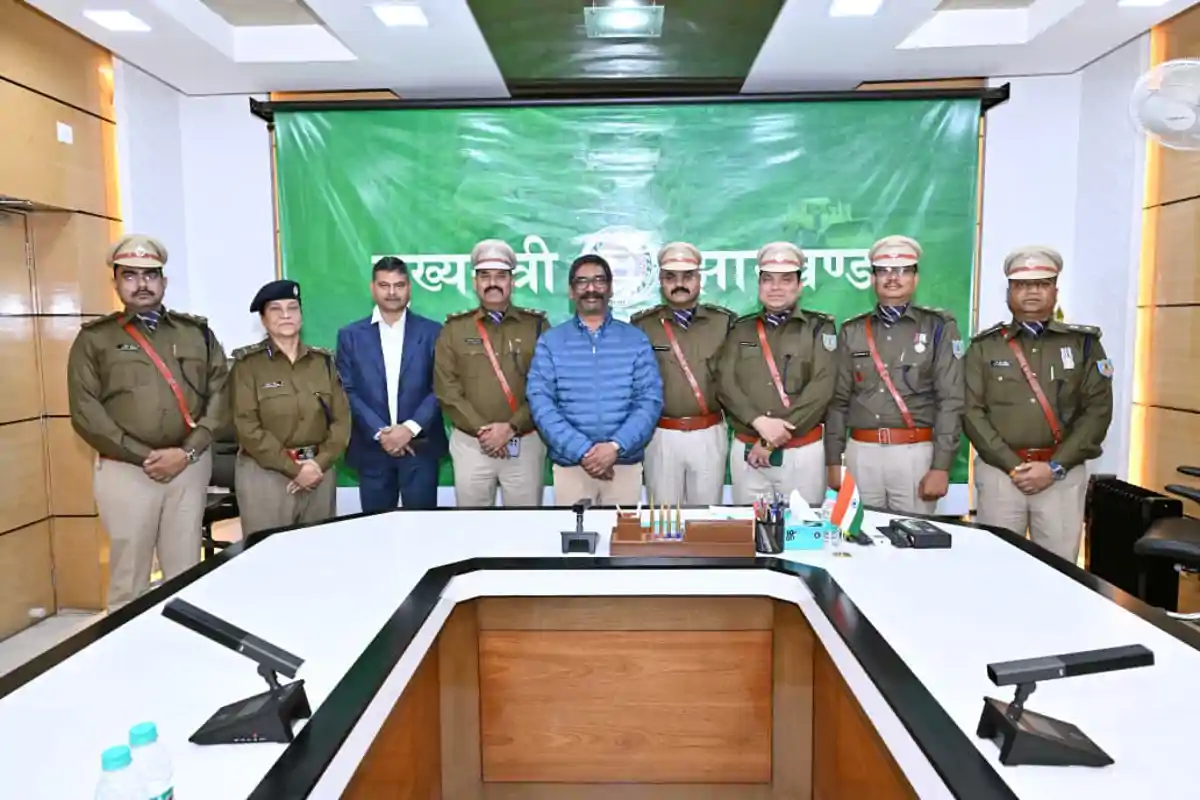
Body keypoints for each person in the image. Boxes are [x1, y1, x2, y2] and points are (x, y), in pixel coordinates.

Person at [66, 234, 229, 610]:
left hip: (188, 468)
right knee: (130, 576)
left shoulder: (196, 333)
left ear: (163, 281)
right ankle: (127, 644)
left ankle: (182, 640)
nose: (141, 284)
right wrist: (146, 457)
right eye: (130, 275)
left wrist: (186, 453)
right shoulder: (95, 339)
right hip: (127, 471)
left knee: (186, 572)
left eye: (150, 275)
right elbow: (86, 412)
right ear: (116, 283)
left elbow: (221, 395)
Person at [963, 245, 1114, 563]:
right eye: (1022, 284)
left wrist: (1055, 466)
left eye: (1042, 284)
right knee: (996, 566)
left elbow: (1097, 411)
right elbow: (971, 411)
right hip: (1001, 475)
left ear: (1055, 290)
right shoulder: (984, 347)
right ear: (1009, 292)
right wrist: (1011, 465)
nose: (1032, 291)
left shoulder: (1083, 344)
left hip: (1062, 475)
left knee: (1059, 569)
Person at [824, 235, 965, 514]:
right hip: (861, 454)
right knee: (857, 536)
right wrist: (833, 460)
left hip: (914, 455)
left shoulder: (938, 327)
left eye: (902, 270)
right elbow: (838, 402)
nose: (892, 278)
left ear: (915, 278)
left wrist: (941, 466)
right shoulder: (853, 330)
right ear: (872, 279)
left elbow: (951, 401)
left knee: (913, 536)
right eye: (884, 271)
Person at [526, 253, 663, 506]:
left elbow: (649, 399)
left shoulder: (635, 339)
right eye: (582, 281)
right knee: (574, 532)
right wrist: (582, 451)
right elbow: (541, 401)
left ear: (610, 289)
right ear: (571, 291)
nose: (591, 288)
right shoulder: (551, 342)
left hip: (622, 465)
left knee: (621, 532)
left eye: (599, 280)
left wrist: (614, 447)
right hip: (572, 465)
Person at [716, 242, 836, 506]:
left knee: (802, 526)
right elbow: (725, 383)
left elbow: (821, 389)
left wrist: (770, 442)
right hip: (748, 451)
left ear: (800, 286)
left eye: (786, 279)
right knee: (749, 526)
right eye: (768, 279)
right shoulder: (741, 329)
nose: (776, 287)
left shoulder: (819, 328)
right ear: (759, 285)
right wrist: (757, 421)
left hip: (801, 452)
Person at [229, 280, 350, 535]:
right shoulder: (247, 365)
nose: (286, 315)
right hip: (267, 474)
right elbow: (247, 427)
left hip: (319, 473)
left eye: (292, 308)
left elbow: (342, 421)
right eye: (276, 309)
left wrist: (318, 465)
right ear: (263, 320)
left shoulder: (323, 362)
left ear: (301, 316)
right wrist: (294, 470)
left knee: (319, 550)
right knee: (268, 553)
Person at [434, 240, 548, 507]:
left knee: (525, 525)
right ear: (474, 283)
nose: (492, 283)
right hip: (472, 445)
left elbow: (547, 386)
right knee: (473, 525)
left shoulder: (536, 326)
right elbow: (446, 388)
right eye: (485, 276)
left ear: (512, 282)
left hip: (524, 443)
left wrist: (511, 427)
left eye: (500, 276)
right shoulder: (455, 329)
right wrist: (484, 432)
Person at [336, 257, 447, 512]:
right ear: (372, 288)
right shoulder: (350, 336)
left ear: (409, 288)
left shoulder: (433, 332)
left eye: (399, 285)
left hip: (420, 448)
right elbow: (346, 390)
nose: (392, 292)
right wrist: (382, 433)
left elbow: (441, 386)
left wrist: (409, 429)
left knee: (423, 528)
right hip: (372, 450)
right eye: (384, 285)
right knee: (376, 530)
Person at [631, 241, 733, 506]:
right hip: (660, 435)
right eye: (670, 277)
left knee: (706, 517)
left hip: (709, 433)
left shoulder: (724, 322)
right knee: (664, 518)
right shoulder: (642, 325)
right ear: (660, 282)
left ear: (699, 279)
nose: (679, 284)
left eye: (687, 276)